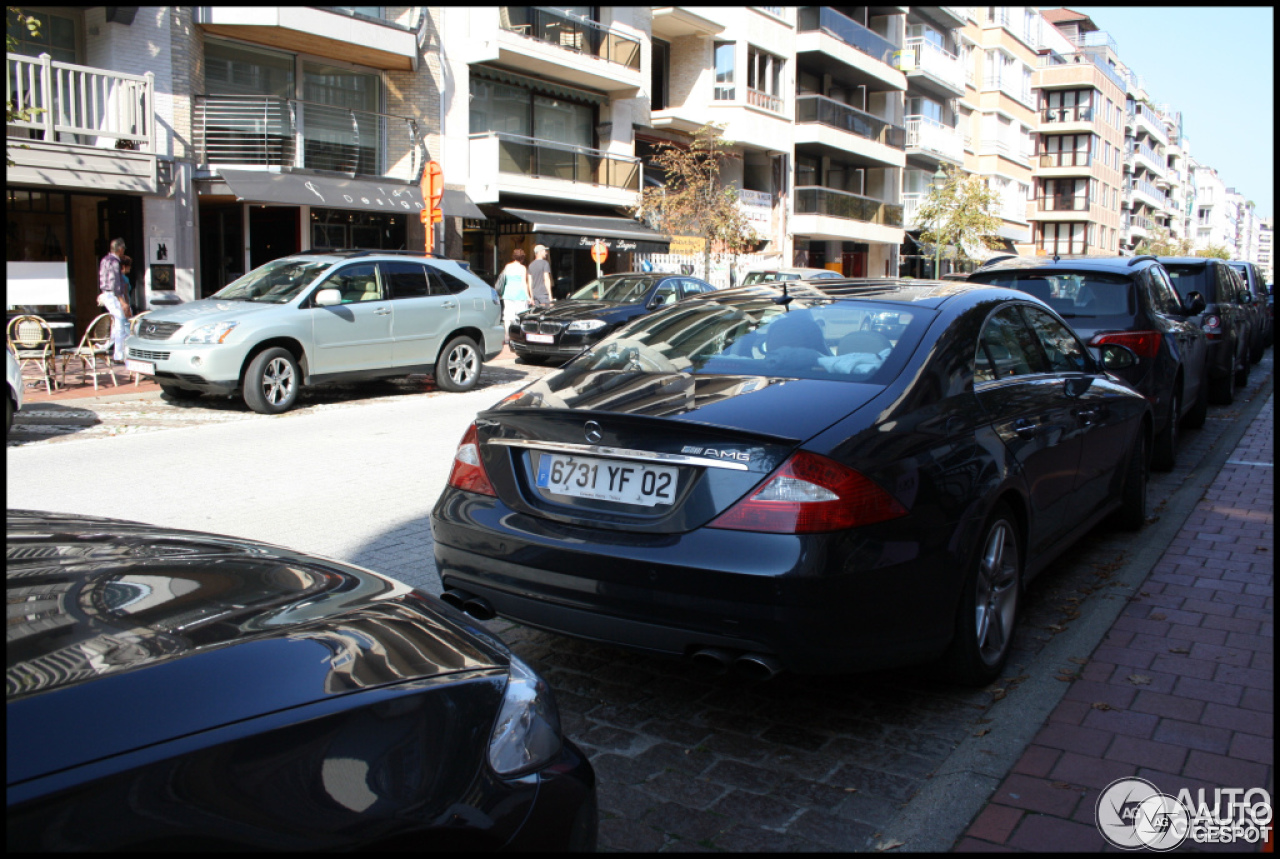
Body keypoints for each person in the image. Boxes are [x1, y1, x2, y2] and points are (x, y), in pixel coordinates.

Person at [98, 238, 131, 363]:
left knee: (118, 324)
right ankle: (119, 354)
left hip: (107, 294)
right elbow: (115, 284)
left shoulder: (104, 260)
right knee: (121, 324)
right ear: (120, 249)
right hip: (113, 296)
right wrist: (122, 301)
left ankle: (105, 347)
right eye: (123, 249)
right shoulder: (114, 262)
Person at [498, 248, 530, 337]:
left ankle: (507, 336)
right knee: (521, 316)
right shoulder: (522, 268)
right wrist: (528, 296)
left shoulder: (508, 266)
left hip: (508, 294)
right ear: (522, 258)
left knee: (508, 316)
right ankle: (520, 335)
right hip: (520, 295)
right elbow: (524, 283)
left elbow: (504, 280)